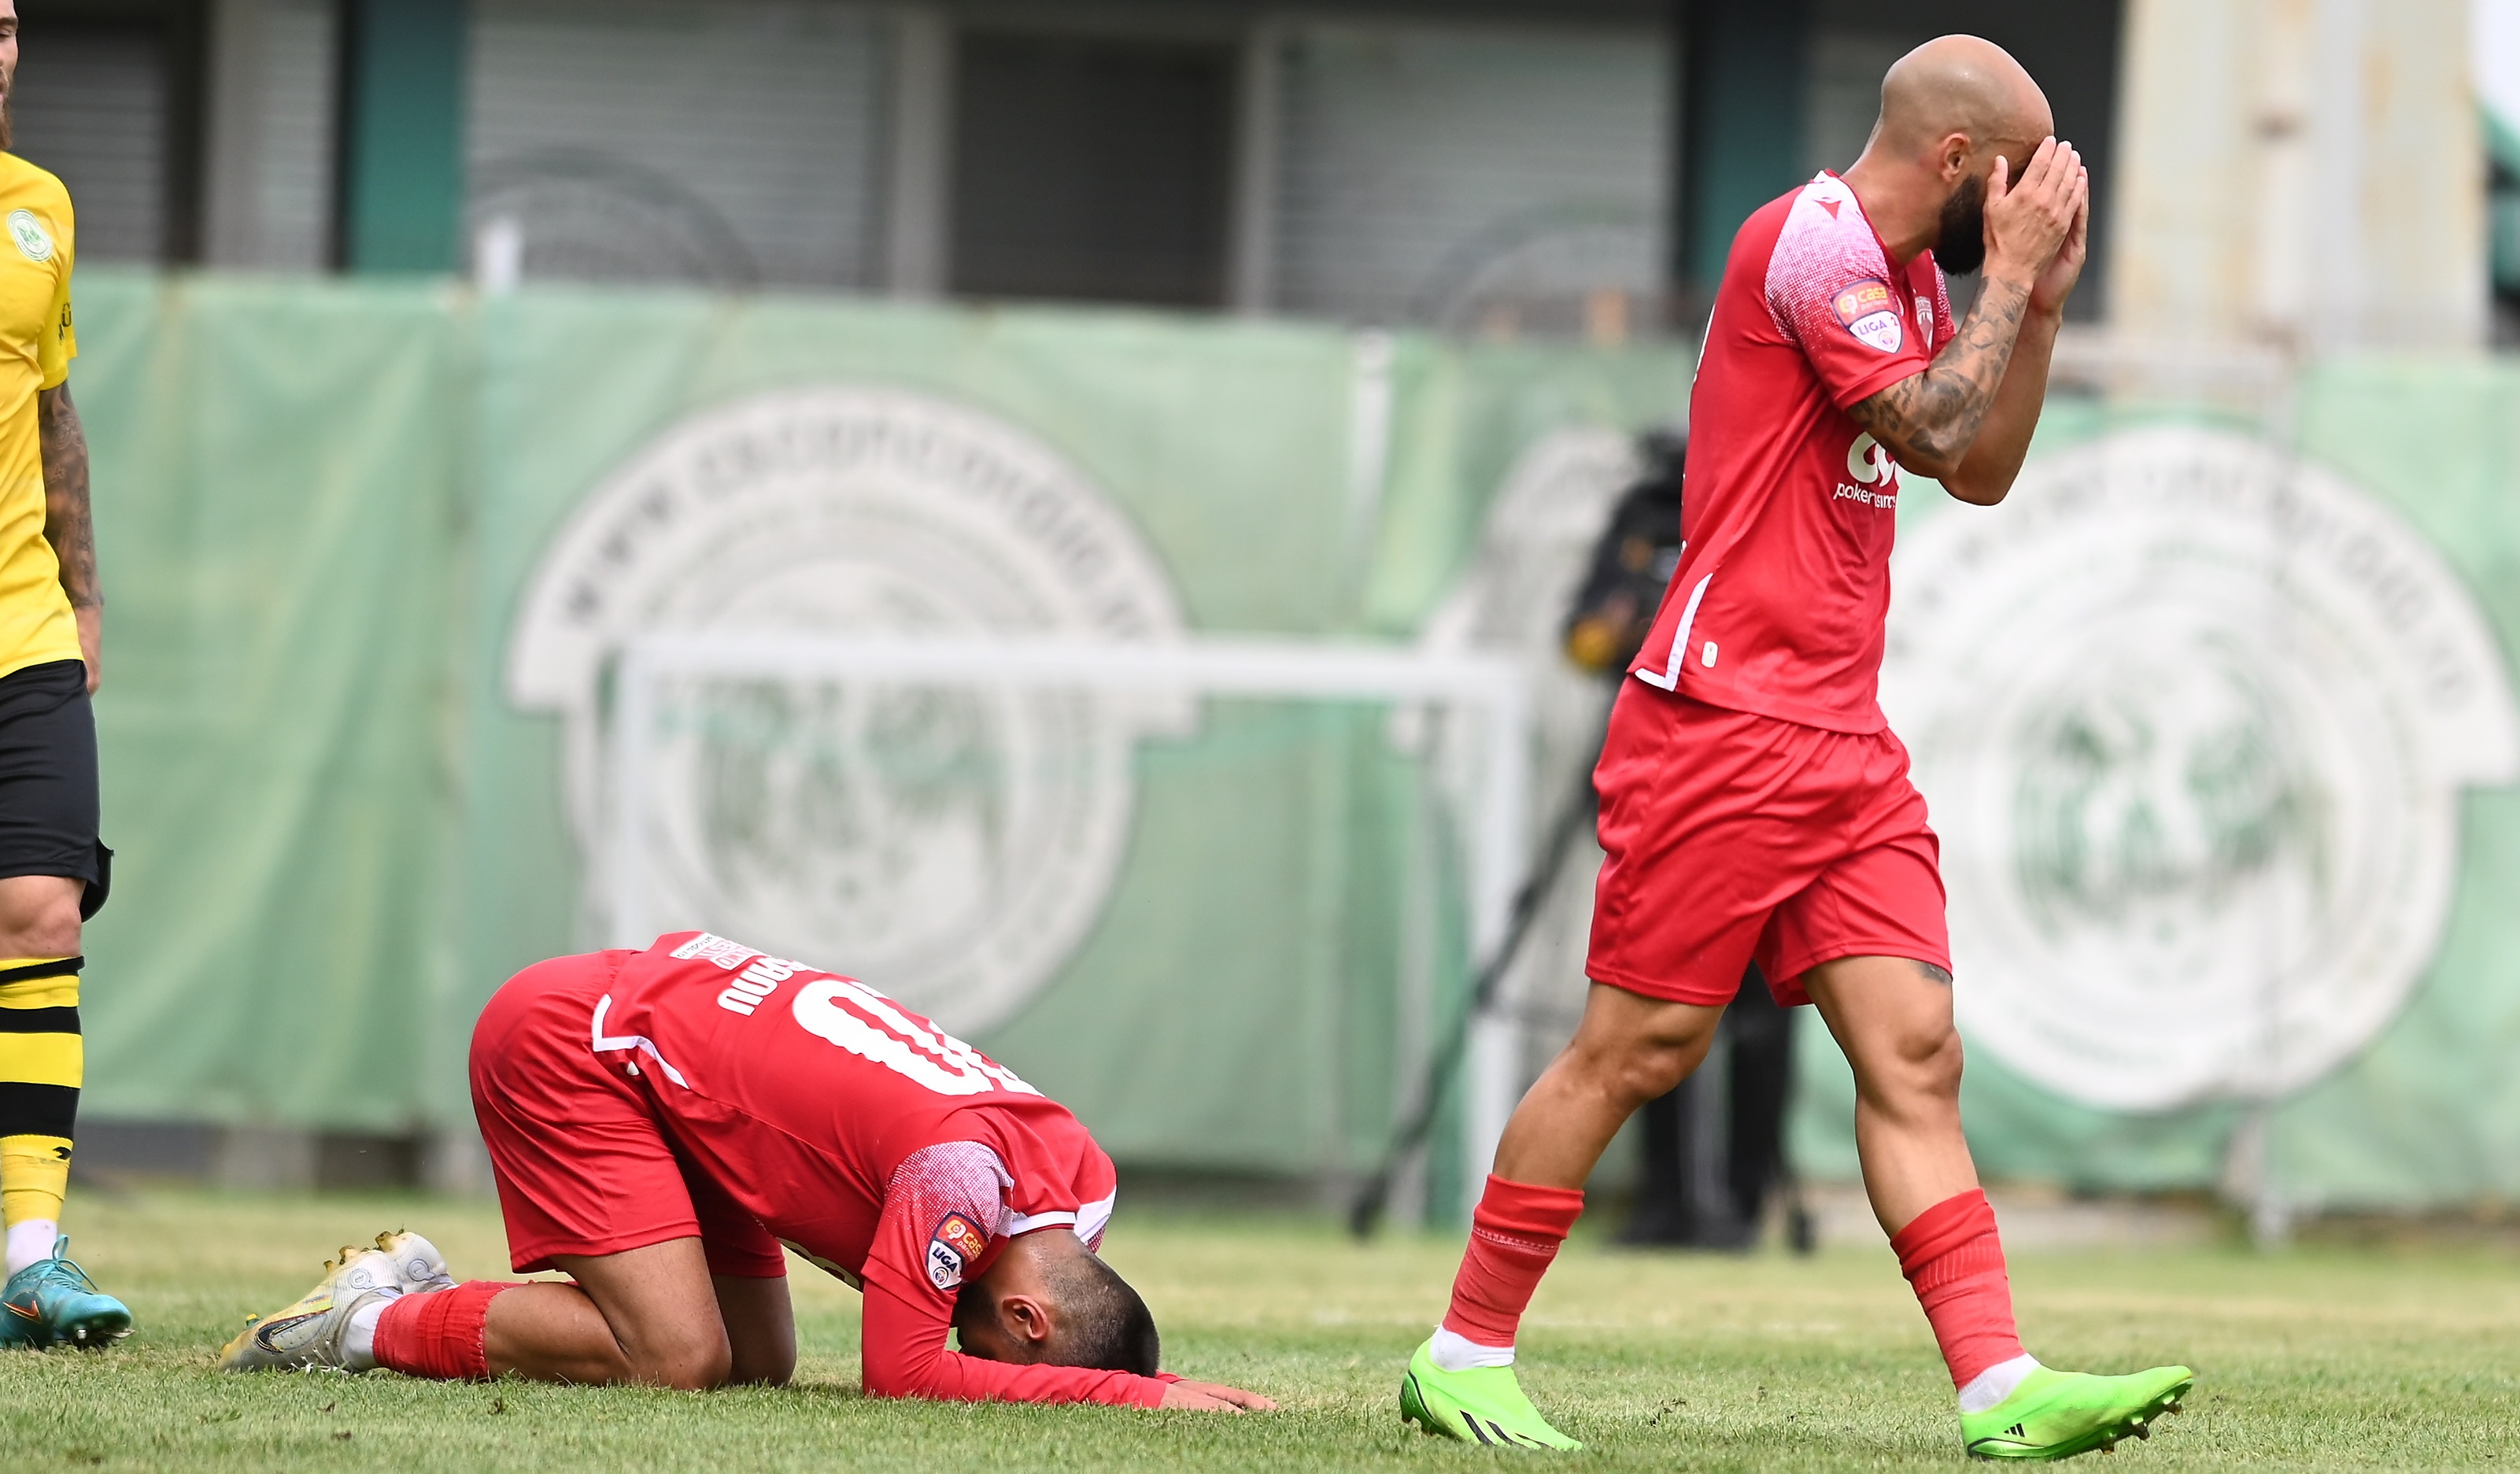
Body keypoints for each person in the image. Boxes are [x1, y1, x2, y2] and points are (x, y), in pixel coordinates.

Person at [1397, 35, 2191, 1459]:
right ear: (1956, 164)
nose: (2030, 208)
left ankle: (1996, 1386)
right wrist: (2004, 283)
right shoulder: (1811, 246)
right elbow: (1940, 422)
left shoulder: (1903, 278)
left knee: (1915, 1049)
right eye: (2015, 182)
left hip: (1836, 734)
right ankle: (1462, 1350)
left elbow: (1983, 471)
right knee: (1638, 1048)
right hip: (1723, 721)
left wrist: (2042, 308)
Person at [220, 931, 1274, 1413]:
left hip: (670, 1061)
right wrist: (1141, 1399)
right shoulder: (961, 1184)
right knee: (676, 1356)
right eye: (983, 1331)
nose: (963, 1329)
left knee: (754, 1363)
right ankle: (363, 1318)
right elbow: (902, 1373)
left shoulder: (1079, 1182)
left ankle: (404, 1296)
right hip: (574, 1040)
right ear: (1033, 1321)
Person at [0, 0, 127, 1350]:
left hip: (23, 625)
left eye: (10, 20)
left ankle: (29, 1257)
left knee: (40, 912)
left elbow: (51, 404)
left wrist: (84, 587)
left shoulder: (40, 207)